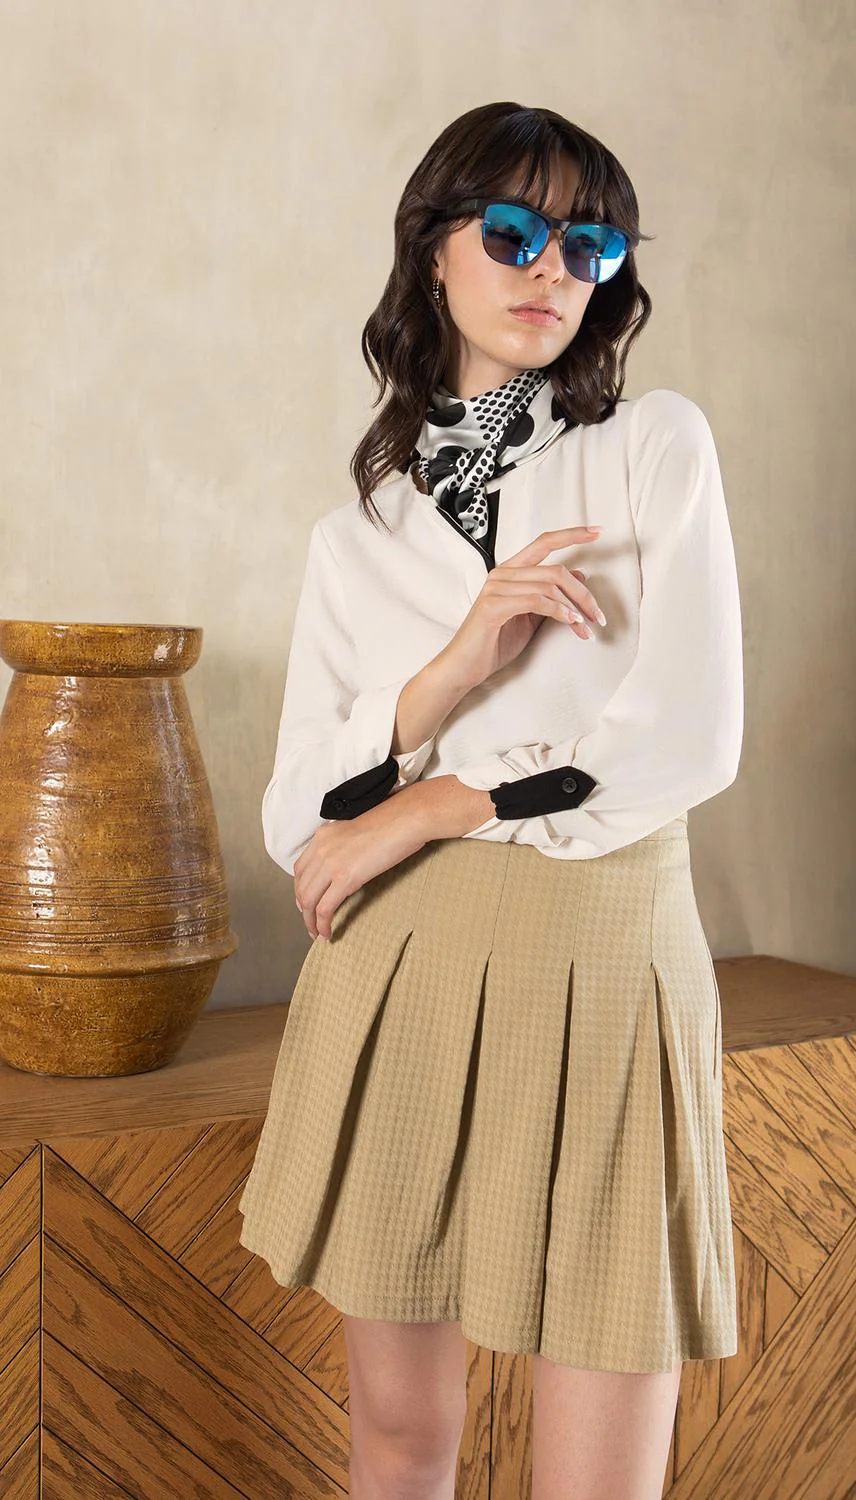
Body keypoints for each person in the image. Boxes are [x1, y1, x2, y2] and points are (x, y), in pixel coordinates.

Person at [238, 100, 744, 1500]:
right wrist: (454, 669)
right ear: (435, 250)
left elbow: (688, 736)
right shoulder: (359, 534)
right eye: (513, 232)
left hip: (604, 951)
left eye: (588, 246)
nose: (550, 269)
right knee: (400, 1440)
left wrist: (429, 804)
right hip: (399, 962)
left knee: (596, 1474)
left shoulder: (652, 446)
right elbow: (301, 819)